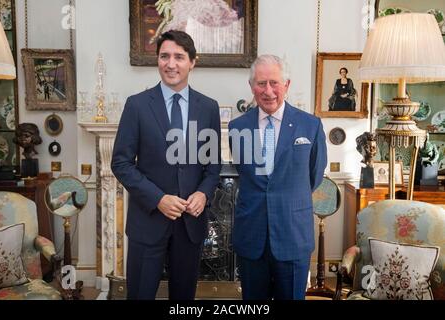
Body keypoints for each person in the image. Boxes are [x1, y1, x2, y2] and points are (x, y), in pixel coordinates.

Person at [111, 30, 221, 300]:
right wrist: (158, 198)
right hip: (147, 221)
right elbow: (121, 163)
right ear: (157, 60)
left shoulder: (208, 107)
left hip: (190, 224)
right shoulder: (136, 105)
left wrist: (204, 193)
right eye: (164, 56)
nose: (171, 64)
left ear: (193, 62)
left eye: (179, 57)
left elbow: (213, 164)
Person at [228, 55, 327, 300]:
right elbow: (245, 173)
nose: (268, 91)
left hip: (293, 235)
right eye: (261, 84)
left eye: (274, 83)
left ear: (287, 85)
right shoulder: (237, 127)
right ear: (252, 87)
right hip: (252, 236)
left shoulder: (310, 125)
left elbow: (313, 176)